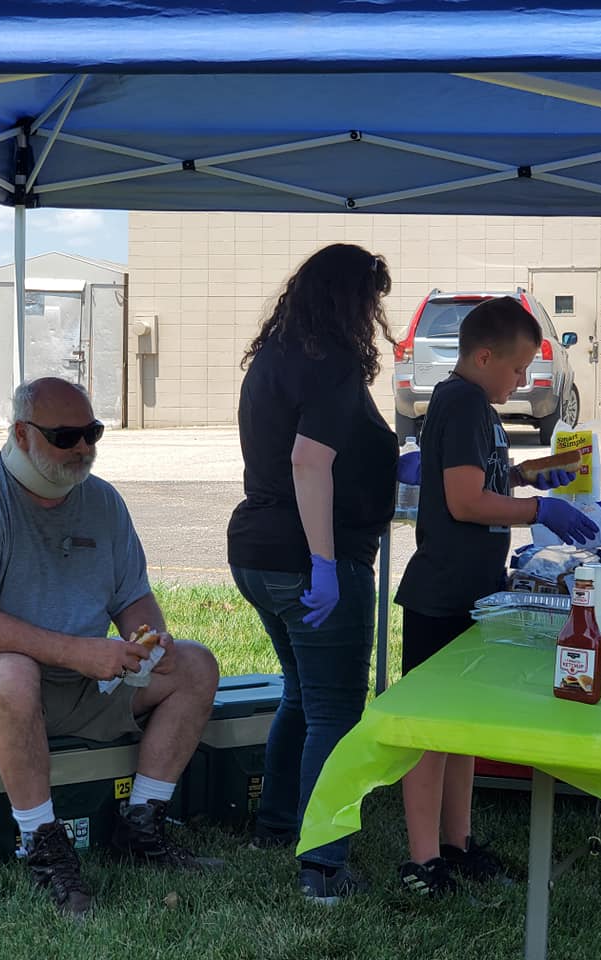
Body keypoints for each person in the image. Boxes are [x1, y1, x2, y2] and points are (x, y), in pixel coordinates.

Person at [0, 377, 221, 916]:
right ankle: (44, 845)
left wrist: (150, 640)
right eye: (65, 437)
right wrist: (79, 652)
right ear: (21, 434)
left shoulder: (103, 501)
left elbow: (133, 598)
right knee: (13, 673)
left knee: (194, 665)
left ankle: (142, 825)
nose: (82, 448)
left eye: (91, 433)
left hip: (73, 684)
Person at [394, 297, 598, 896]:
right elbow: (463, 501)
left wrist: (530, 474)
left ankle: (457, 843)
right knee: (430, 729)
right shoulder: (460, 403)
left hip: (474, 591)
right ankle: (423, 860)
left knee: (461, 725)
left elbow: (481, 477)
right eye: (516, 368)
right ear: (484, 356)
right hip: (441, 593)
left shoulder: (476, 407)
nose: (521, 380)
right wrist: (538, 510)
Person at [227, 243, 400, 904]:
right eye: (371, 300)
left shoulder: (275, 357)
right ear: (351, 300)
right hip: (307, 558)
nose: (374, 314)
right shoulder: (330, 363)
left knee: (302, 695)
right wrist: (325, 565)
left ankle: (277, 826)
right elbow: (307, 461)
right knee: (334, 708)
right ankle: (323, 867)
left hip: (257, 551)